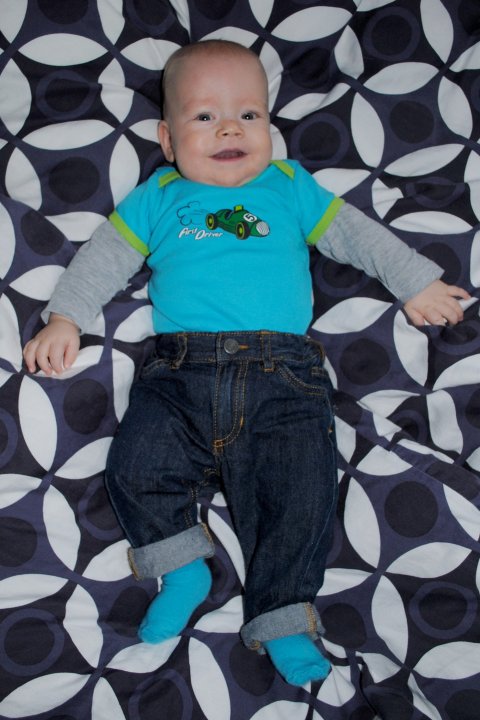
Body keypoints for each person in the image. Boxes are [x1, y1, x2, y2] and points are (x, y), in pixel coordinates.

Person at [23, 40, 470, 686]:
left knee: (299, 498)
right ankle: (181, 566)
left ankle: (282, 616)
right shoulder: (159, 196)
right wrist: (66, 317)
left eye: (249, 115)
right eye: (205, 117)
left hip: (282, 378)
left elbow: (358, 235)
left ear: (270, 127)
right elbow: (103, 259)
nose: (230, 129)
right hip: (180, 374)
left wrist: (415, 282)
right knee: (135, 466)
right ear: (167, 140)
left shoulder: (288, 187)